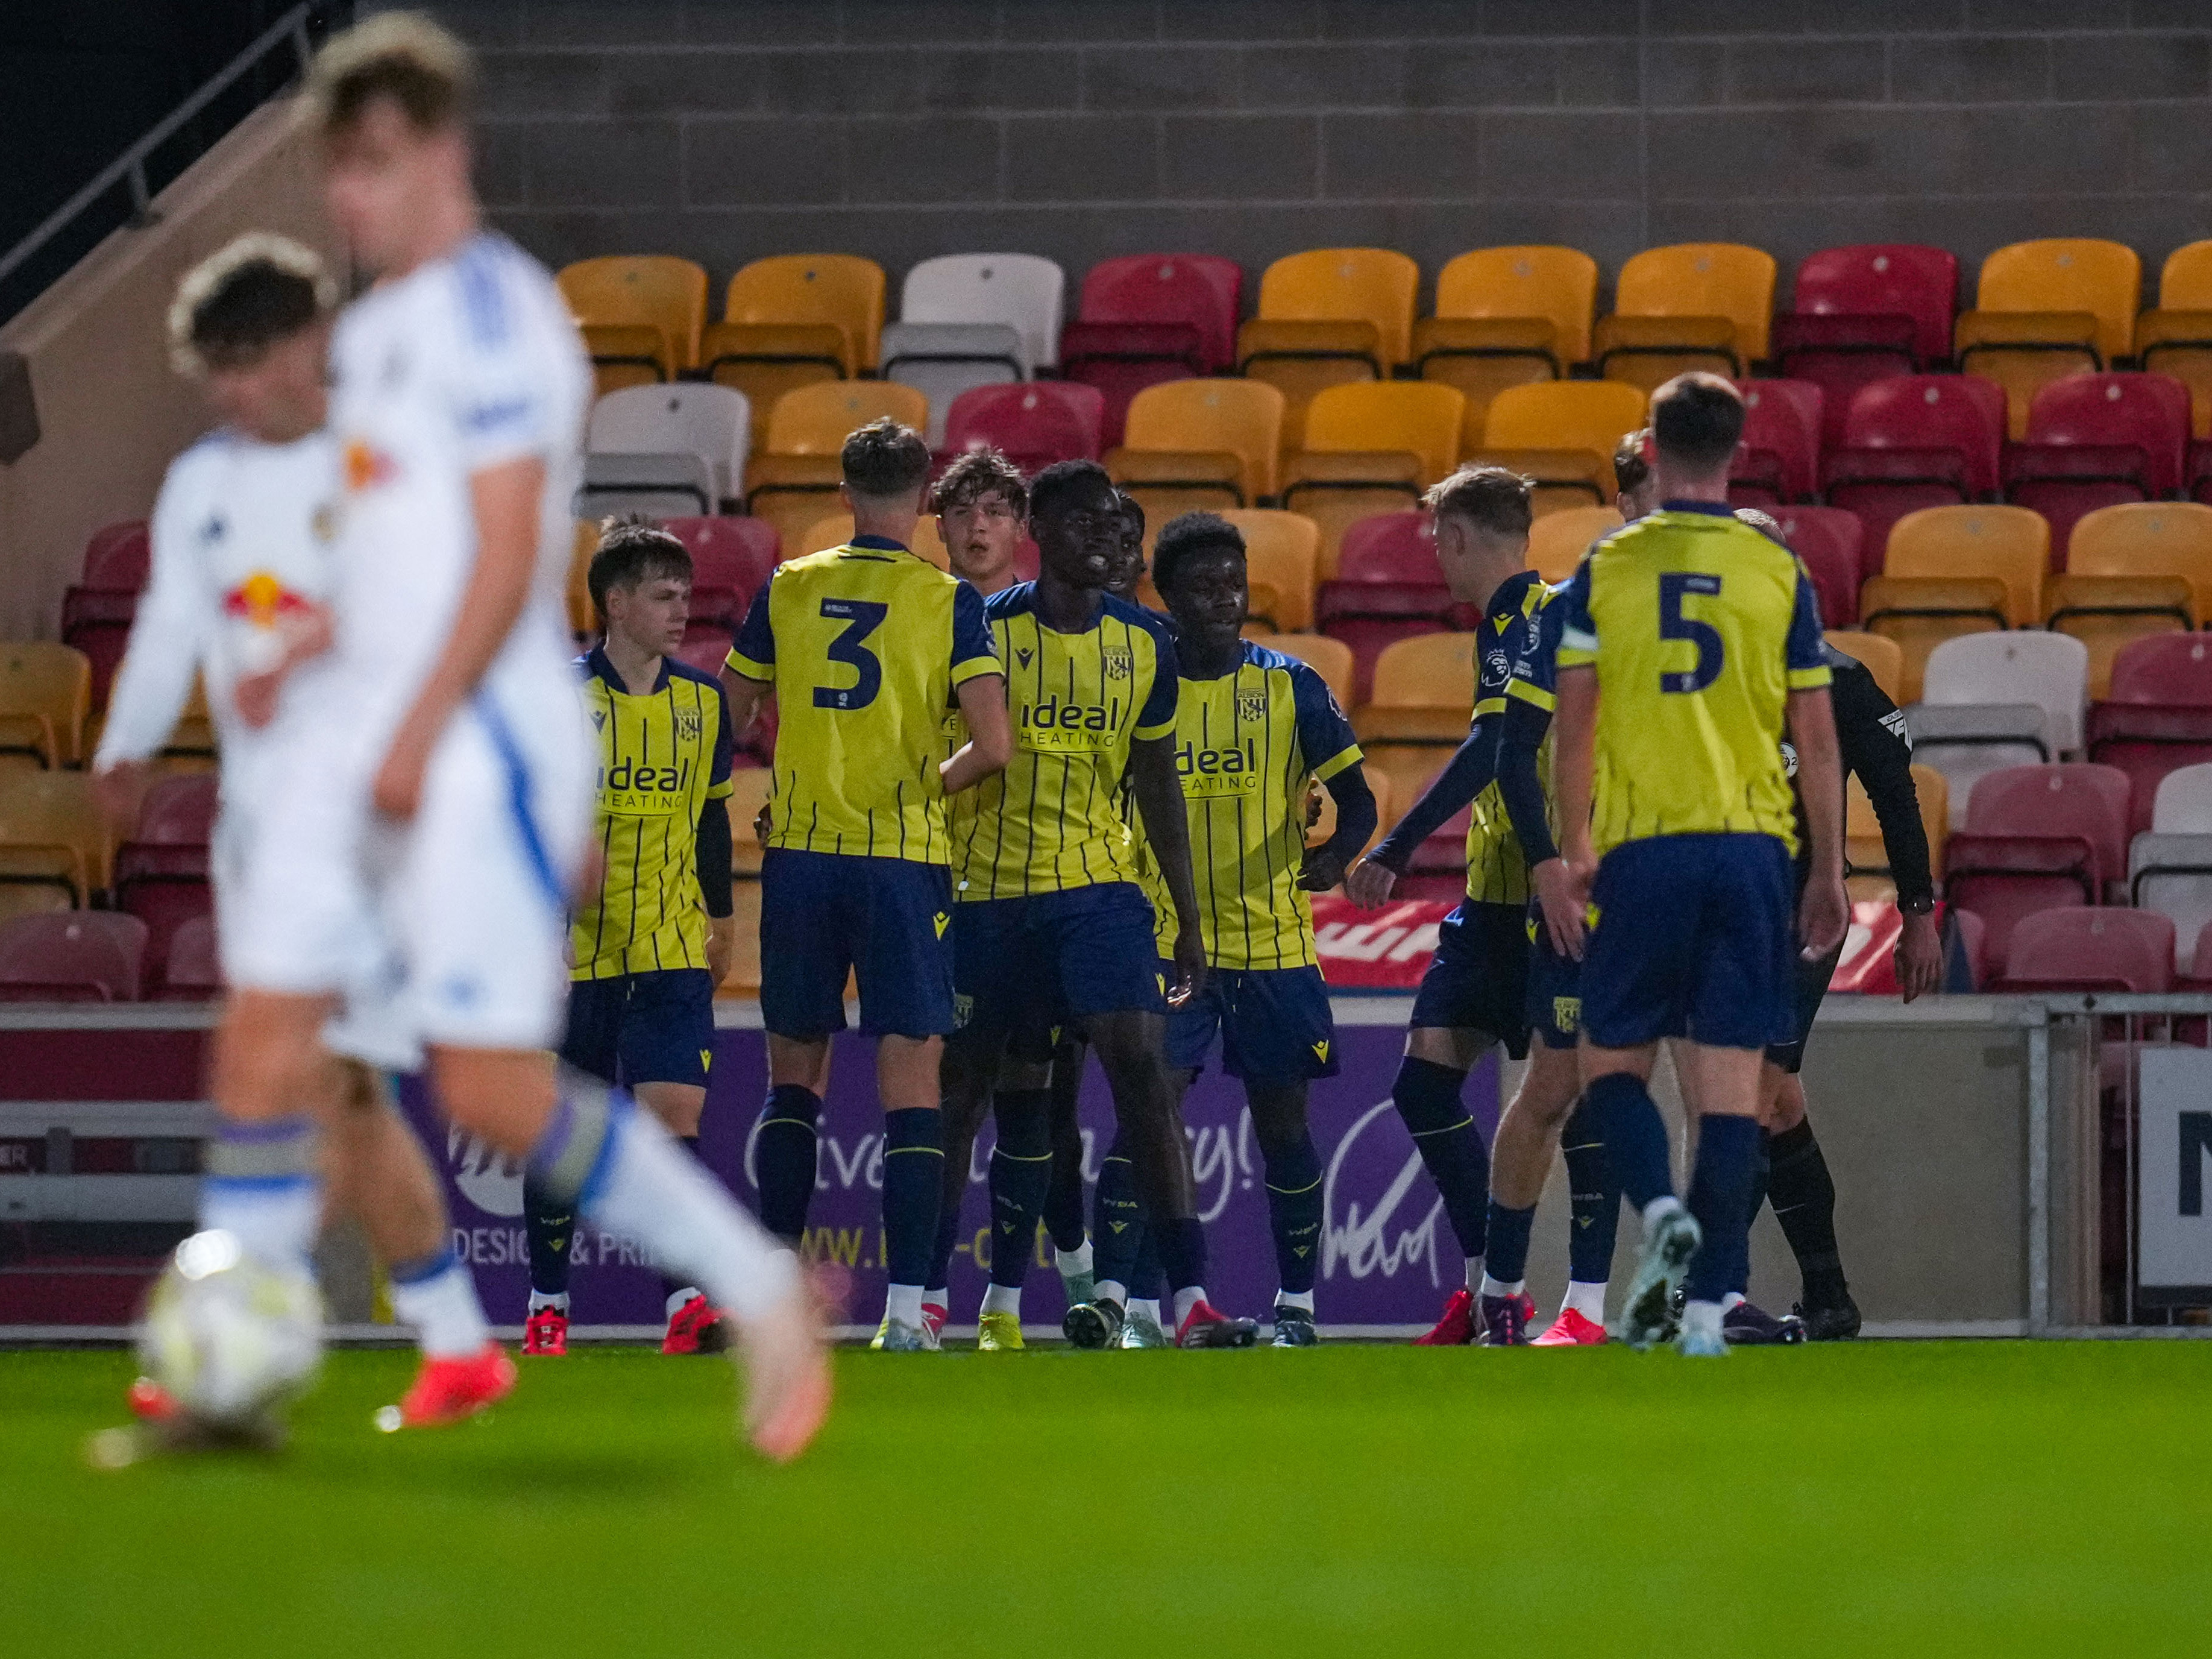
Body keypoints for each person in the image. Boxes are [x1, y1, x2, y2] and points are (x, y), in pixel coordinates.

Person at [280, 15, 826, 1458]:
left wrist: (433, 744)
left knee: (456, 1076)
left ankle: (750, 1286)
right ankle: (455, 1338)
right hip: (424, 733)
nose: (350, 195)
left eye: (375, 162)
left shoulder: (492, 313)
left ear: (444, 155)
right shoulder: (382, 329)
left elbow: (509, 549)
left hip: (483, 736)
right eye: (335, 168)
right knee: (395, 1069)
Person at [92, 233, 504, 1431]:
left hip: (368, 823)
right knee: (350, 1096)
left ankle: (228, 1355)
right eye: (213, 369)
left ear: (304, 349)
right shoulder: (202, 485)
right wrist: (126, 740)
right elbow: (171, 626)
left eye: (247, 362)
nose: (231, 390)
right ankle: (458, 1347)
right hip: (264, 829)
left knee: (289, 1075)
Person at [1550, 373, 1849, 1357]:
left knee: (1609, 1068)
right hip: (1755, 849)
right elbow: (1815, 726)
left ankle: (1659, 1212)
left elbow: (1576, 720)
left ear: (1651, 450)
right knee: (1733, 1089)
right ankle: (1712, 1315)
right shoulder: (1776, 570)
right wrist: (1829, 870)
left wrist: (1574, 843)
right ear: (1736, 452)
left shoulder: (1610, 564)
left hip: (1646, 848)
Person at [934, 460, 1255, 1350]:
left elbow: (1156, 782)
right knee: (962, 1100)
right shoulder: (978, 628)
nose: (1112, 539)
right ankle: (921, 1305)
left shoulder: (1145, 642)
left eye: (1120, 525)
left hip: (1098, 894)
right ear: (1039, 529)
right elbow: (923, 743)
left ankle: (1188, 1300)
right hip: (986, 894)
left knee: (1144, 1074)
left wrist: (1186, 919)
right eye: (1089, 524)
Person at [720, 417, 1012, 1353]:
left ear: (844, 495)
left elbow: (728, 711)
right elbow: (994, 747)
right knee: (912, 1084)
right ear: (926, 501)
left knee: (793, 1081)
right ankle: (907, 1311)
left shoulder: (790, 586)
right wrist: (918, 789)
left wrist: (791, 776)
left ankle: (776, 1306)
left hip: (802, 855)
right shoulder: (947, 599)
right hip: (901, 860)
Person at [1106, 512, 1378, 1348]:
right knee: (1150, 1115)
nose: (1222, 599)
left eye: (1232, 583)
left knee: (1283, 1126)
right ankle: (1133, 1307)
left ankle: (1296, 1303)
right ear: (1169, 597)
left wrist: (1332, 862)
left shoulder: (1291, 686)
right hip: (1163, 941)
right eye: (1202, 586)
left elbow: (1358, 801)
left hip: (1273, 945)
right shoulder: (1141, 686)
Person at [520, 518, 741, 1358]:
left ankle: (684, 1303)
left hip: (672, 943)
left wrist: (720, 919)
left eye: (684, 593)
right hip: (572, 953)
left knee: (670, 1117)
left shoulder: (703, 702)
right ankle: (547, 1305)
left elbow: (712, 821)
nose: (682, 608)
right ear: (615, 603)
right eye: (662, 594)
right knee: (566, 1133)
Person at [1341, 466, 1548, 1344]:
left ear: (1459, 536)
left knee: (1561, 1106)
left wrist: (1397, 840)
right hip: (1488, 899)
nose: (1431, 556)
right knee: (1424, 1088)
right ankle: (1487, 1287)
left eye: (1434, 538)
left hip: (1541, 901)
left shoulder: (1533, 620)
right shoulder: (1502, 623)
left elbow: (1495, 746)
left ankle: (1571, 1303)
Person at [1731, 508, 1941, 1341]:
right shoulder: (1710, 684)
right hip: (1725, 916)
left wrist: (1917, 915)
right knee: (1778, 1103)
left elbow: (1896, 796)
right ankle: (1827, 1299)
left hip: (1802, 916)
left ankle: (1703, 1287)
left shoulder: (1835, 679)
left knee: (1746, 1094)